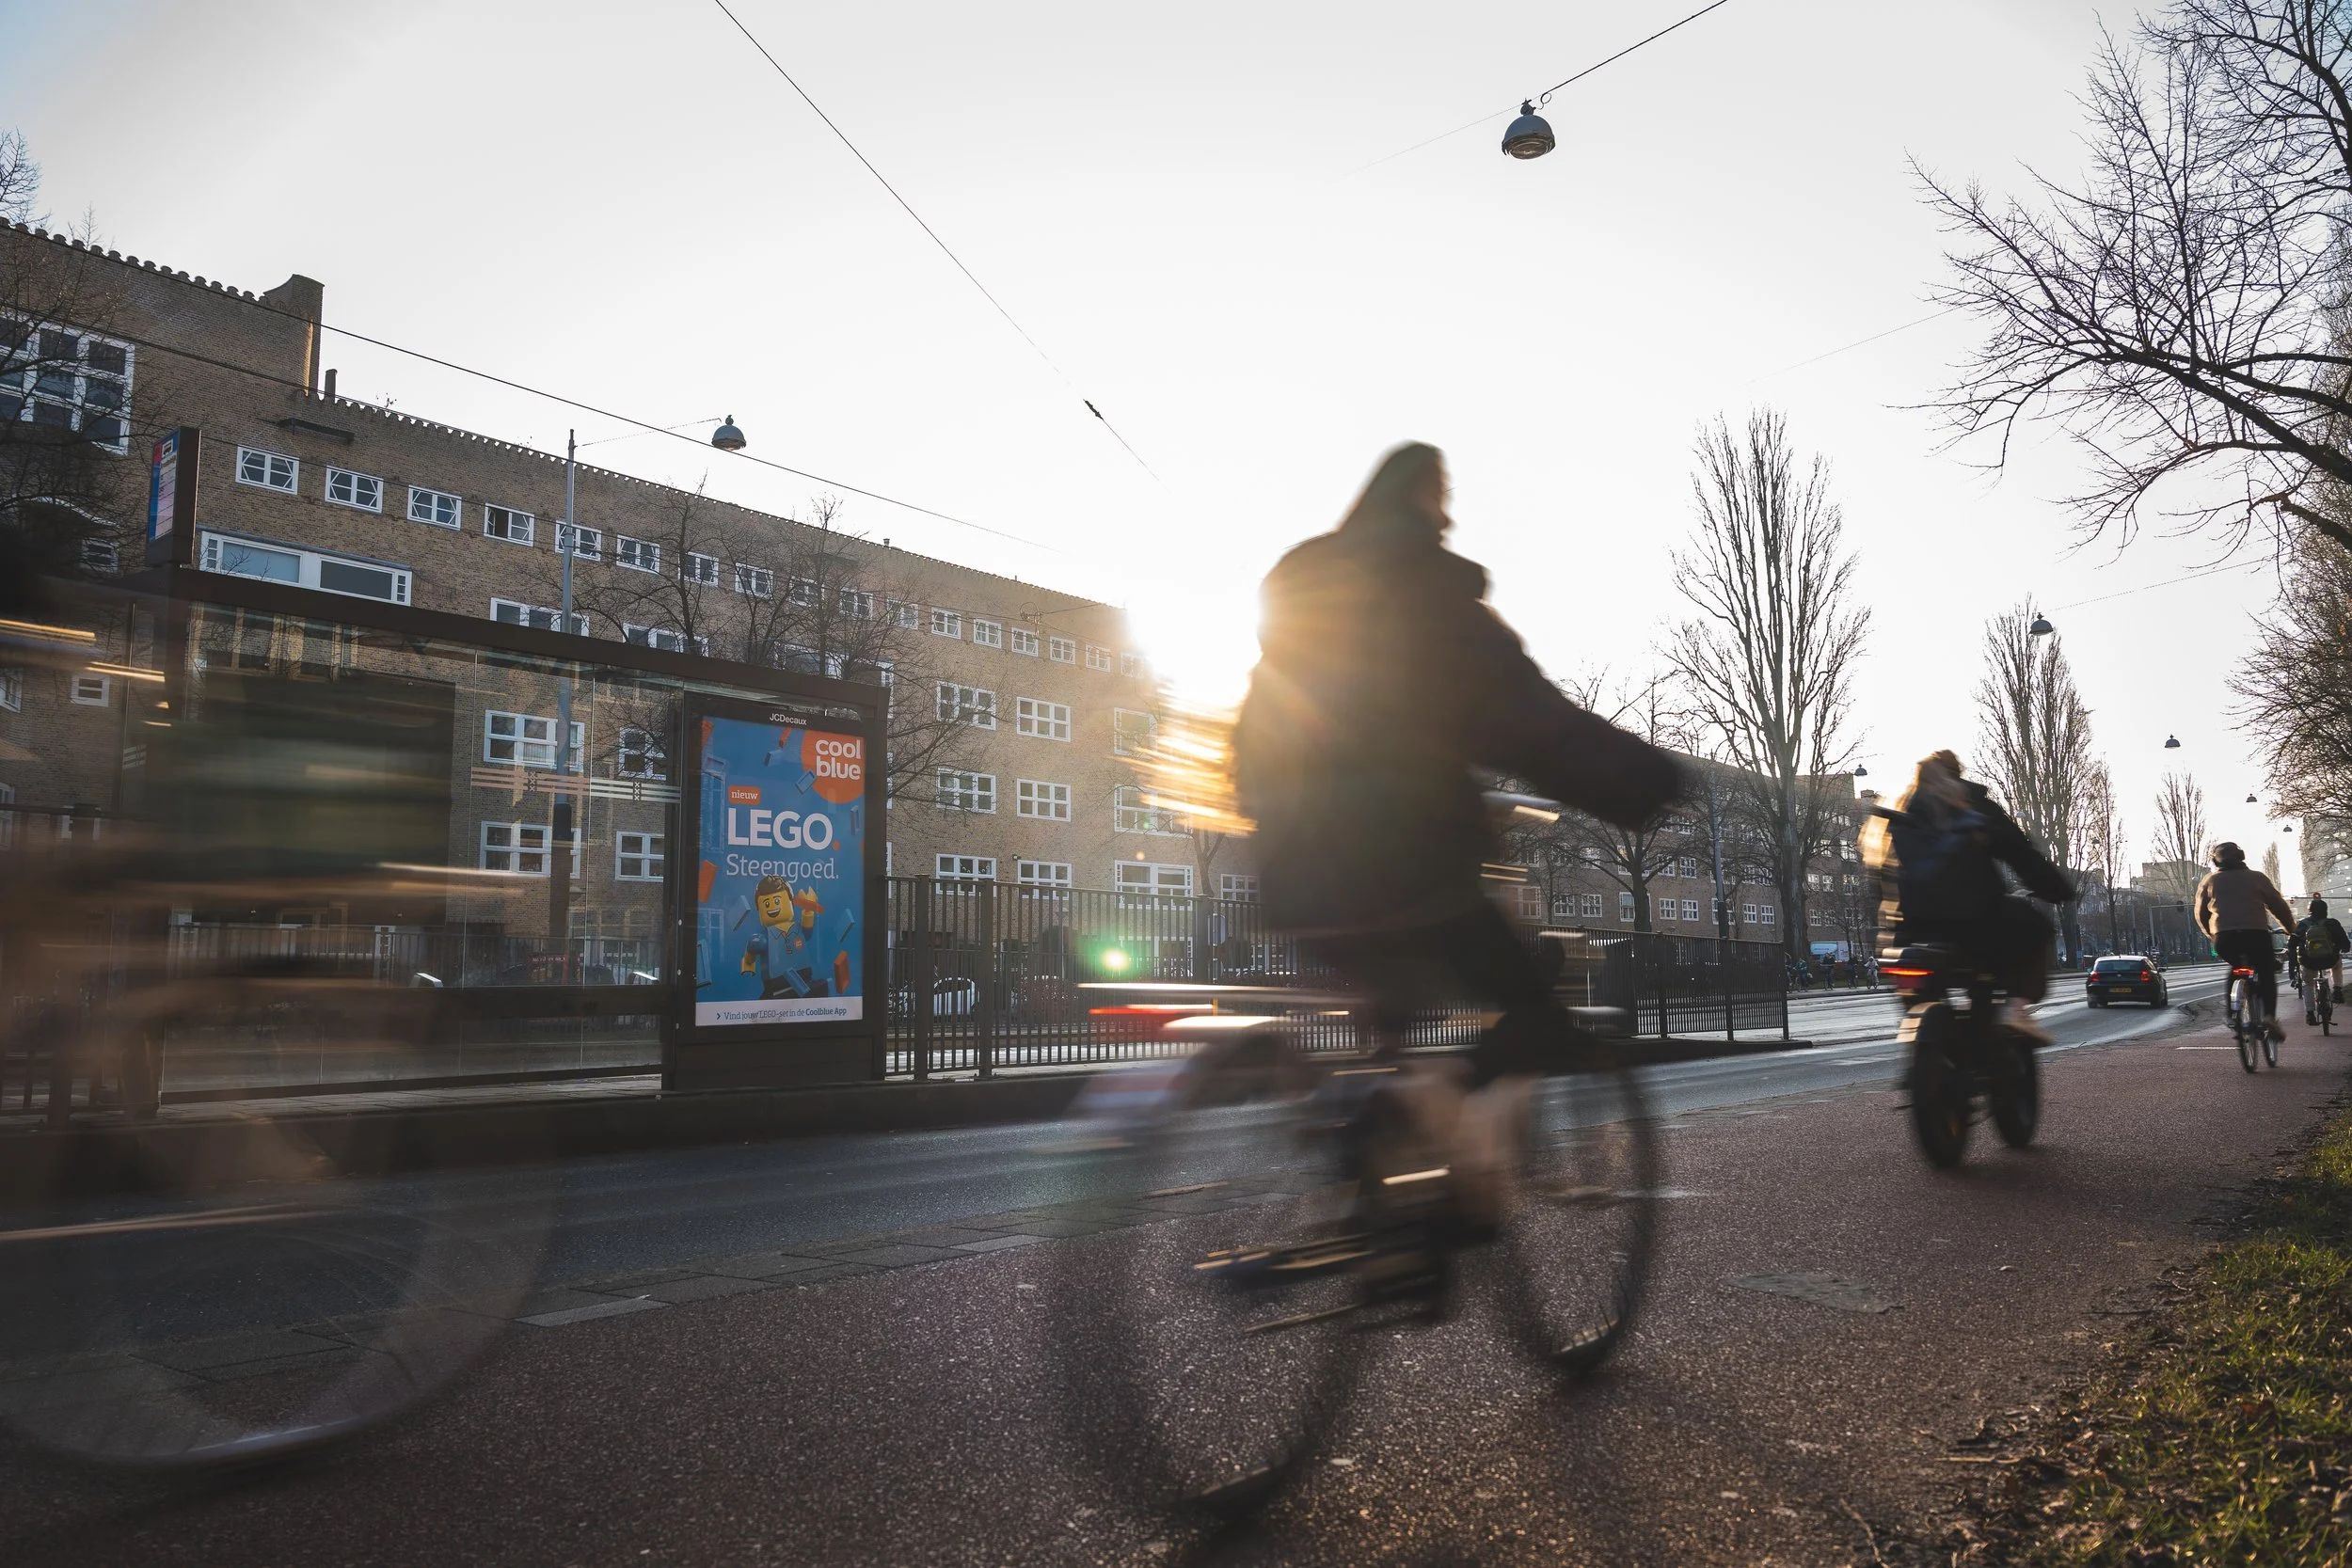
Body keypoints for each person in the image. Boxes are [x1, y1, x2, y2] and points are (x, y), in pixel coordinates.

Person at [1232, 442, 1686, 1092]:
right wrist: (1646, 780)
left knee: (1394, 1021)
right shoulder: (1432, 599)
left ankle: (1379, 1142)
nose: (1446, 516)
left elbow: (1252, 747)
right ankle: (1445, 1132)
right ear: (1426, 501)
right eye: (1442, 497)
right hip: (1406, 873)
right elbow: (1532, 722)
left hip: (1290, 874)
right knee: (1533, 1009)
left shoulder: (1296, 615)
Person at [1859, 751, 2075, 1043]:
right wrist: (2057, 889)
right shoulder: (1974, 806)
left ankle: (1919, 1043)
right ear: (1957, 774)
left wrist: (1891, 919)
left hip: (1912, 928)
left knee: (1913, 988)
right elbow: (2021, 855)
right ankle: (2016, 1009)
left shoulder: (1897, 812)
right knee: (2039, 929)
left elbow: (1878, 871)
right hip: (1978, 922)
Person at [2193, 843, 2294, 1042]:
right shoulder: (2257, 878)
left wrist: (2212, 935)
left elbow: (2201, 914)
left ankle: (2233, 1015)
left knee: (2236, 967)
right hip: (2256, 935)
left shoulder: (2210, 880)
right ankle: (2269, 1017)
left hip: (2225, 939)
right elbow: (2278, 906)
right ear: (2241, 857)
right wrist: (2291, 929)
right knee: (2265, 971)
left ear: (2215, 861)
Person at [2293, 896, 2349, 1024]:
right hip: (2330, 959)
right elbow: (2345, 943)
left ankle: (2310, 1013)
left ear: (2309, 911)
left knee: (2307, 984)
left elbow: (2292, 942)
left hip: (2309, 961)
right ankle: (2338, 990)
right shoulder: (2333, 923)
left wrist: (2292, 951)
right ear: (2326, 910)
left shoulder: (2303, 924)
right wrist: (2343, 948)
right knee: (2337, 964)